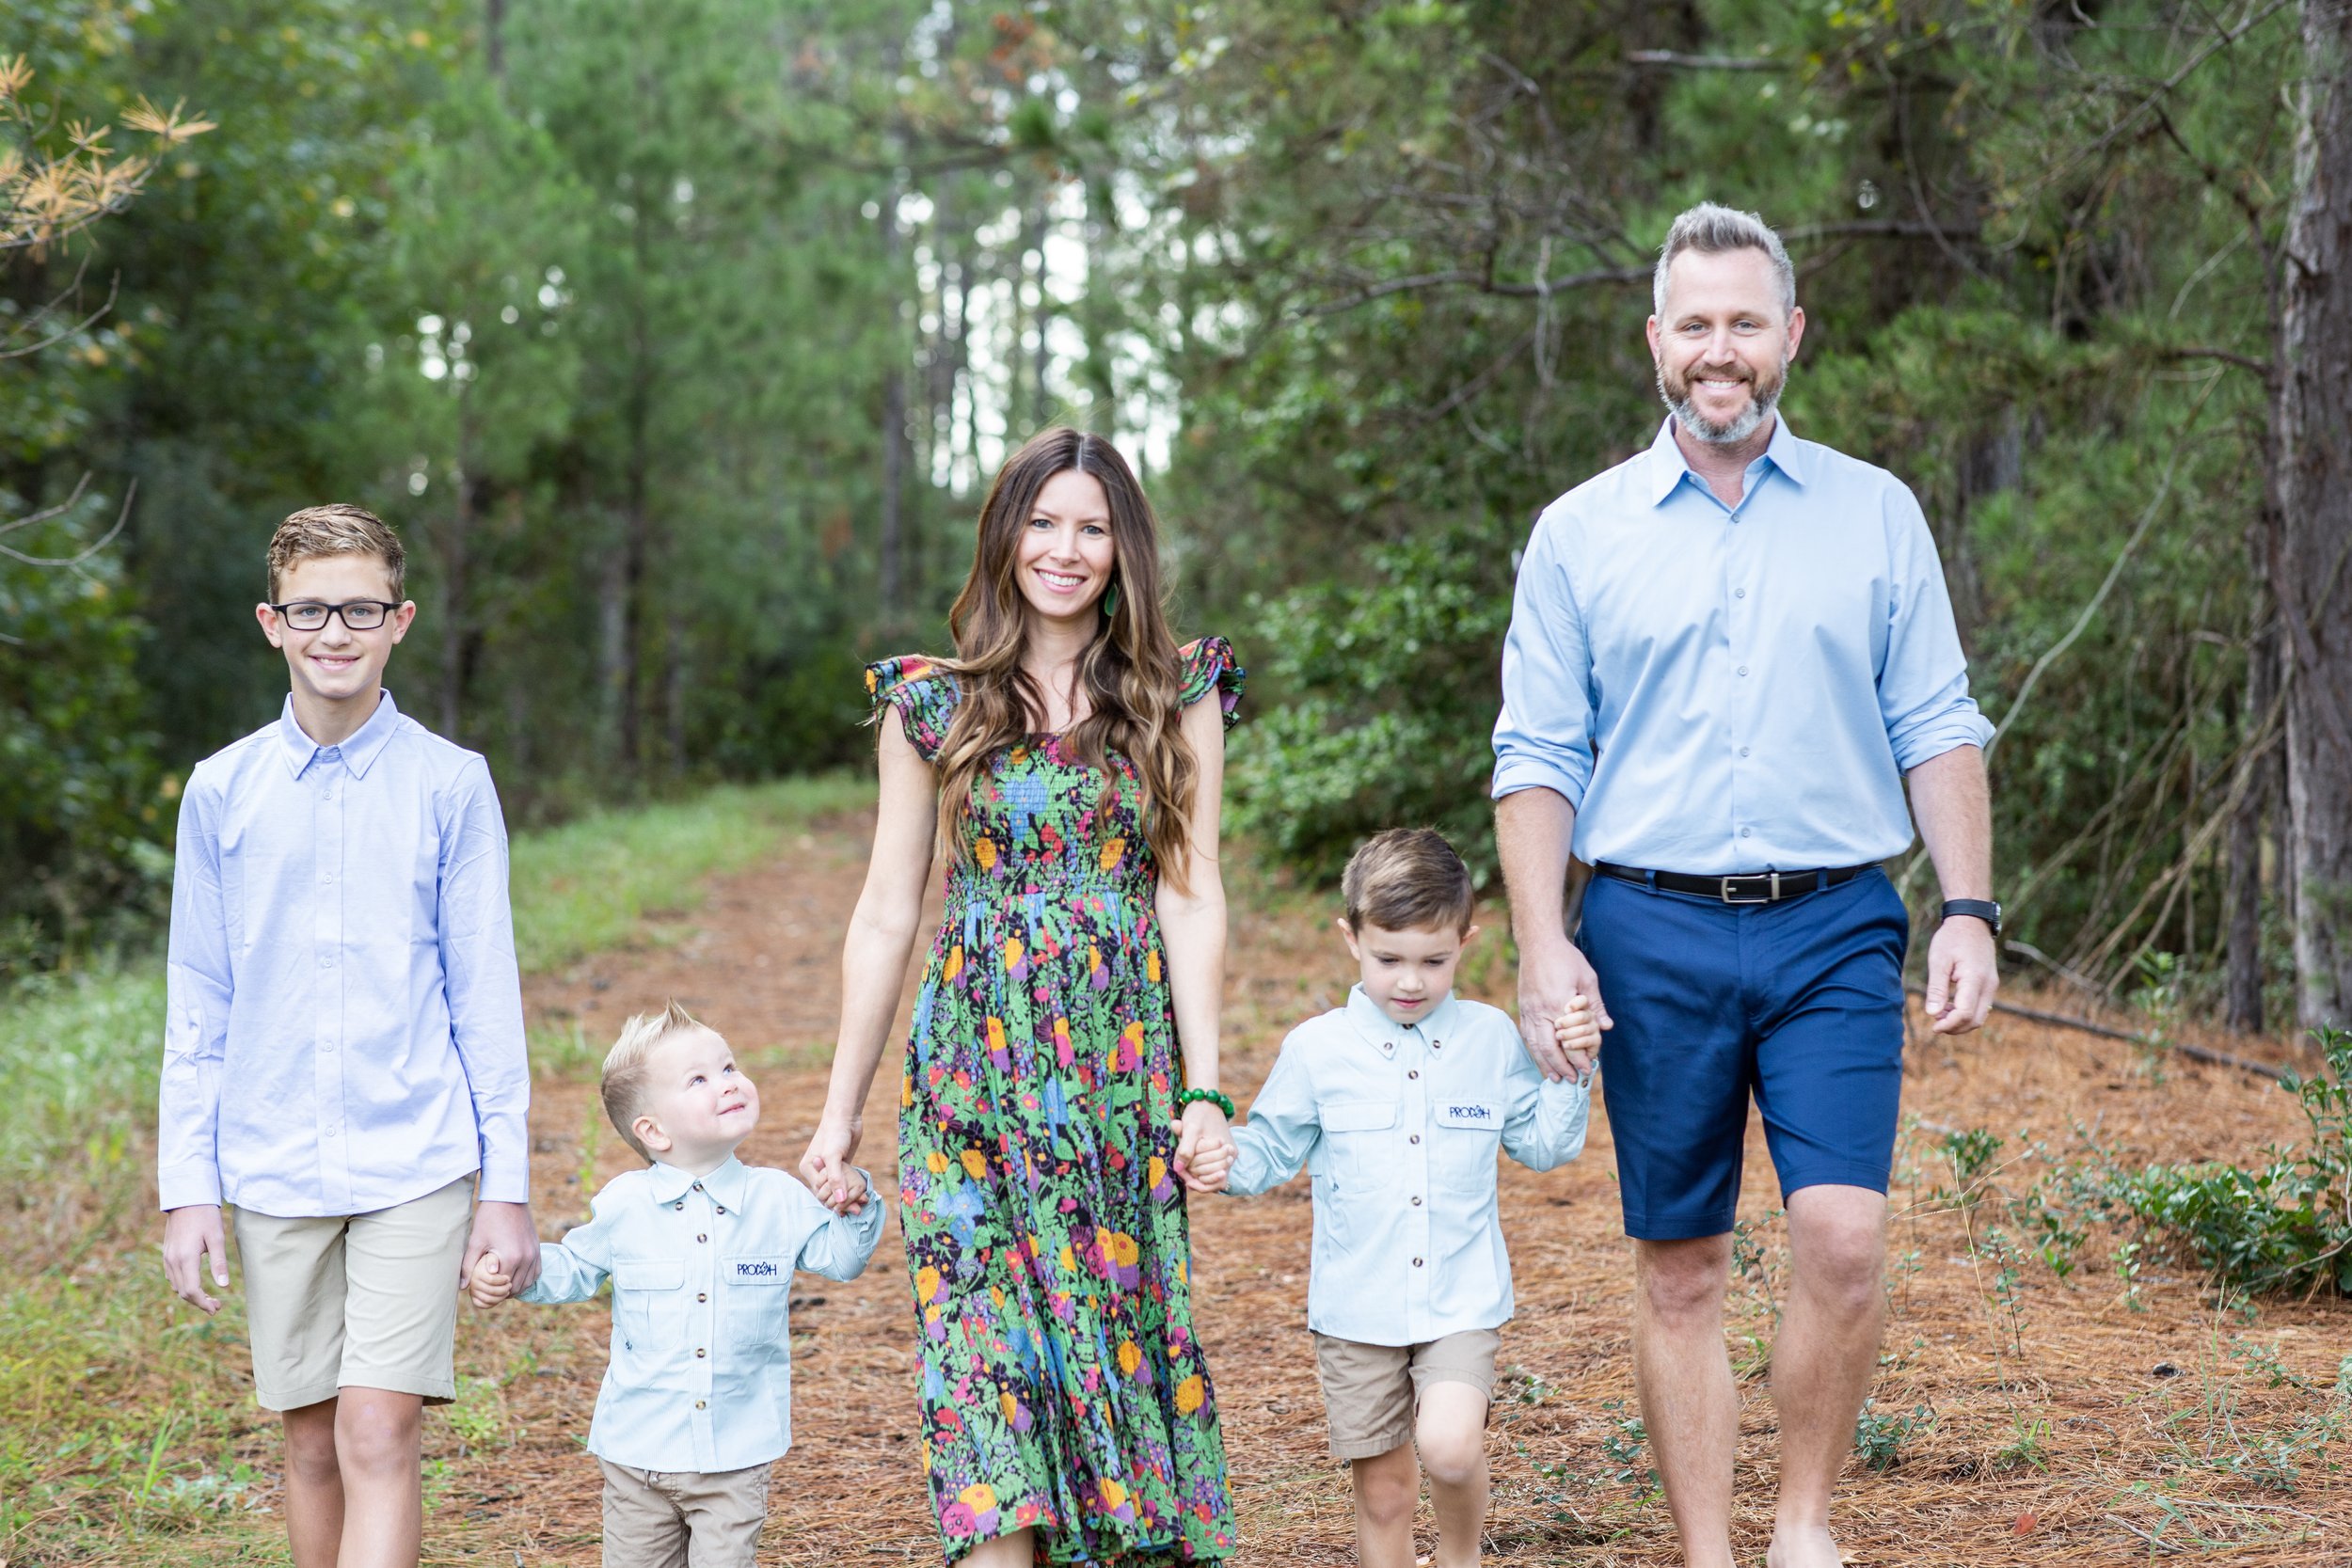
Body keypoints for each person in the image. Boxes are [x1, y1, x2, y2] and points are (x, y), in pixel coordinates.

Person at [1492, 202, 2001, 1568]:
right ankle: (1712, 1550)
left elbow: (1938, 722)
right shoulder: (1581, 532)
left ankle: (1802, 1526)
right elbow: (1537, 753)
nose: (1723, 351)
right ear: (1658, 340)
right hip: (1646, 925)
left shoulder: (1875, 513)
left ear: (1791, 334)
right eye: (1697, 324)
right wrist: (1545, 943)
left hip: (1835, 918)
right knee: (1684, 1263)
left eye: (1748, 322)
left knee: (1841, 1239)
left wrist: (1966, 905)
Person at [797, 426, 1242, 1565]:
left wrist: (1204, 1087)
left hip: (1115, 1076)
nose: (1066, 547)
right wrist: (839, 1113)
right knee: (982, 1362)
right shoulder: (931, 703)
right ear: (1006, 535)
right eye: (1044, 521)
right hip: (970, 1080)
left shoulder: (1172, 687)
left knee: (1110, 1349)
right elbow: (888, 909)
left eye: (1092, 526)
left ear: (1122, 547)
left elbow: (1191, 894)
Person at [157, 504, 538, 1568]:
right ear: (271, 621)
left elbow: (484, 991)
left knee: (381, 1425)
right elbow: (200, 994)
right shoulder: (222, 790)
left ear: (400, 618)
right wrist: (188, 1182)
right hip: (273, 1159)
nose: (337, 630)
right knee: (314, 1439)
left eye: (360, 608)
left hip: (414, 1152)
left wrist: (502, 1185)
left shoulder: (450, 783)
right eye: (312, 609)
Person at [1200, 829, 1595, 1568]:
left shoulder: (1489, 1037)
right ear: (1350, 937)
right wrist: (1221, 1153)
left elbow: (1544, 1147)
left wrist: (1572, 1068)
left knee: (1448, 1446)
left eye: (1433, 961)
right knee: (1383, 1492)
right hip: (1358, 1310)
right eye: (1389, 959)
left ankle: (1459, 1554)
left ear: (1466, 941)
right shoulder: (1317, 1050)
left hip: (1460, 1298)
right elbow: (1270, 1151)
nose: (1409, 981)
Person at [469, 1002, 882, 1568]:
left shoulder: (777, 1199)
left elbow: (843, 1260)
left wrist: (855, 1198)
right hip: (637, 1453)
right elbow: (574, 1270)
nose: (728, 1084)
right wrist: (514, 1272)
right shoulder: (625, 1206)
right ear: (653, 1131)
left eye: (731, 1067)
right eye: (699, 1079)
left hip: (734, 1456)